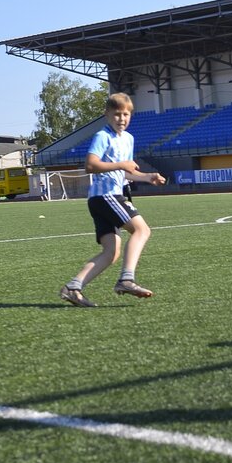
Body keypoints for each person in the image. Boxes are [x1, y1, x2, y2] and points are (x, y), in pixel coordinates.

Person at [60, 92, 167, 308]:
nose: (122, 118)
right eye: (117, 114)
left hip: (105, 197)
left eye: (126, 114)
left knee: (112, 252)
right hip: (105, 196)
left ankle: (73, 287)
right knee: (142, 230)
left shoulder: (128, 139)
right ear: (107, 115)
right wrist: (121, 166)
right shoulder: (103, 136)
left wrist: (147, 177)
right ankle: (126, 280)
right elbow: (90, 165)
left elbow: (124, 171)